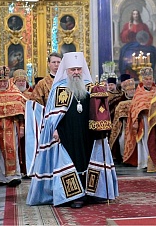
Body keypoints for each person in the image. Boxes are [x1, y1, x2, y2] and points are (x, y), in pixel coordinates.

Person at [26, 52, 118, 207]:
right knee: (71, 161)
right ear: (66, 71)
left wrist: (101, 128)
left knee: (88, 159)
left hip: (88, 133)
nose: (76, 72)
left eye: (78, 69)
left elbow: (100, 111)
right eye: (72, 69)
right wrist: (54, 130)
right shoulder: (59, 89)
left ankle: (90, 192)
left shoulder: (91, 88)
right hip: (66, 133)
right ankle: (74, 196)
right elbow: (51, 115)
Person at [122, 67, 156, 169]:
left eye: (150, 79)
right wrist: (136, 120)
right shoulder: (139, 92)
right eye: (146, 79)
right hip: (144, 120)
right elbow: (134, 107)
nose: (148, 81)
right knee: (146, 140)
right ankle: (146, 162)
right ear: (142, 80)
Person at [118, 9, 156, 77]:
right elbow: (123, 38)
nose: (135, 15)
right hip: (131, 45)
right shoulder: (127, 25)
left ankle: (148, 74)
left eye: (137, 14)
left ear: (139, 15)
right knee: (125, 53)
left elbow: (149, 37)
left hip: (143, 45)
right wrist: (129, 30)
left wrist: (145, 42)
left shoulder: (143, 25)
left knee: (153, 52)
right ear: (132, 15)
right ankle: (127, 74)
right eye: (134, 14)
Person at [110, 78, 136, 164]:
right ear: (126, 91)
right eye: (130, 90)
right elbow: (117, 115)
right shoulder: (121, 101)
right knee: (122, 140)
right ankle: (124, 157)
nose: (132, 91)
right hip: (124, 125)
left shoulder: (138, 99)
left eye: (133, 89)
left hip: (137, 124)